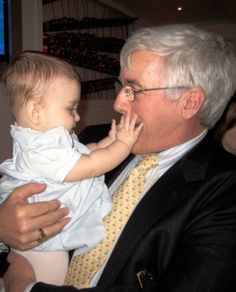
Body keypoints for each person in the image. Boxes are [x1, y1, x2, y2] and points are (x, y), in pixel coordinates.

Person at [3, 24, 236, 292]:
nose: (117, 104)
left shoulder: (226, 193)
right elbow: (24, 183)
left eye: (133, 90)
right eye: (121, 85)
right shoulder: (93, 137)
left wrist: (25, 287)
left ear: (189, 103)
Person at [0, 51, 142, 285]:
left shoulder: (46, 139)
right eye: (71, 108)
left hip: (44, 233)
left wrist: (110, 142)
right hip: (43, 246)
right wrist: (124, 144)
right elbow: (91, 166)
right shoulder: (42, 149)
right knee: (50, 282)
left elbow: (87, 152)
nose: (77, 117)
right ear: (36, 111)